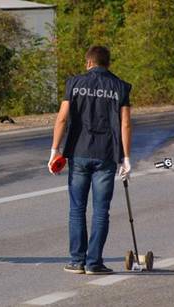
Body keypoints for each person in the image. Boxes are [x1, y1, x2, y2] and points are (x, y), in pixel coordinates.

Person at [48, 46, 132, 275]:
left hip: (78, 152)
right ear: (108, 63)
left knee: (77, 210)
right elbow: (125, 124)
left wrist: (55, 150)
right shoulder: (120, 86)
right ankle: (94, 263)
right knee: (101, 211)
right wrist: (126, 157)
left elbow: (62, 118)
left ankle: (77, 261)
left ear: (88, 63)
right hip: (106, 154)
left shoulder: (74, 83)